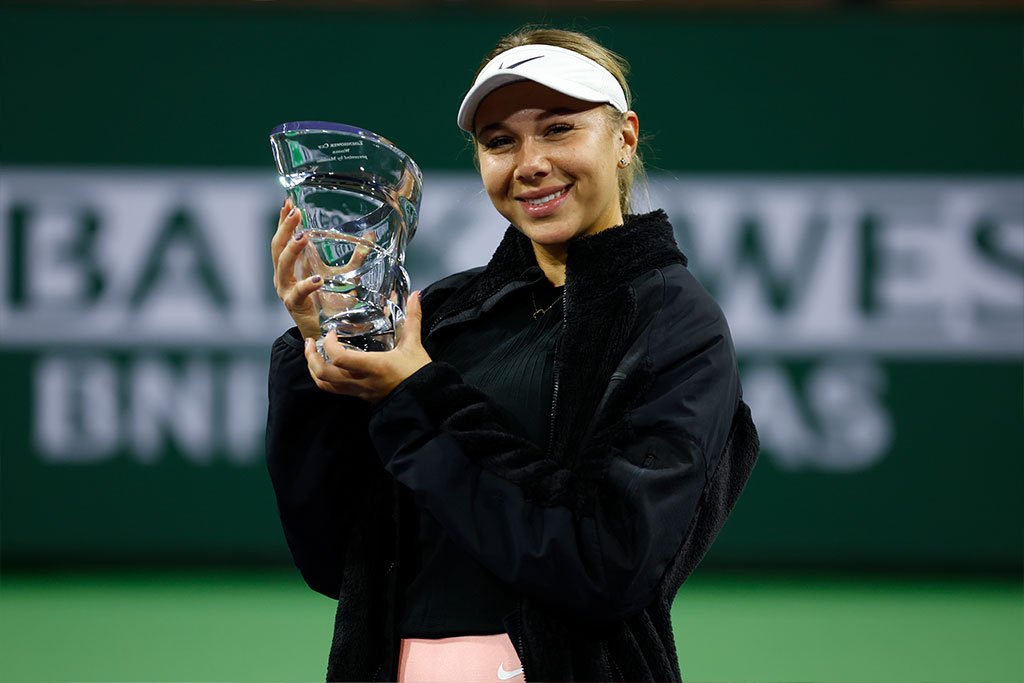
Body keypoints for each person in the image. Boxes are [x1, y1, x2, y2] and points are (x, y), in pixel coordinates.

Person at [266, 27, 759, 683]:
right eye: (500, 141)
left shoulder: (674, 323)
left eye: (559, 129)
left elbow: (606, 562)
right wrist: (315, 352)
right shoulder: (439, 316)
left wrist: (418, 393)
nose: (529, 162)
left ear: (624, 138)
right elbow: (335, 558)